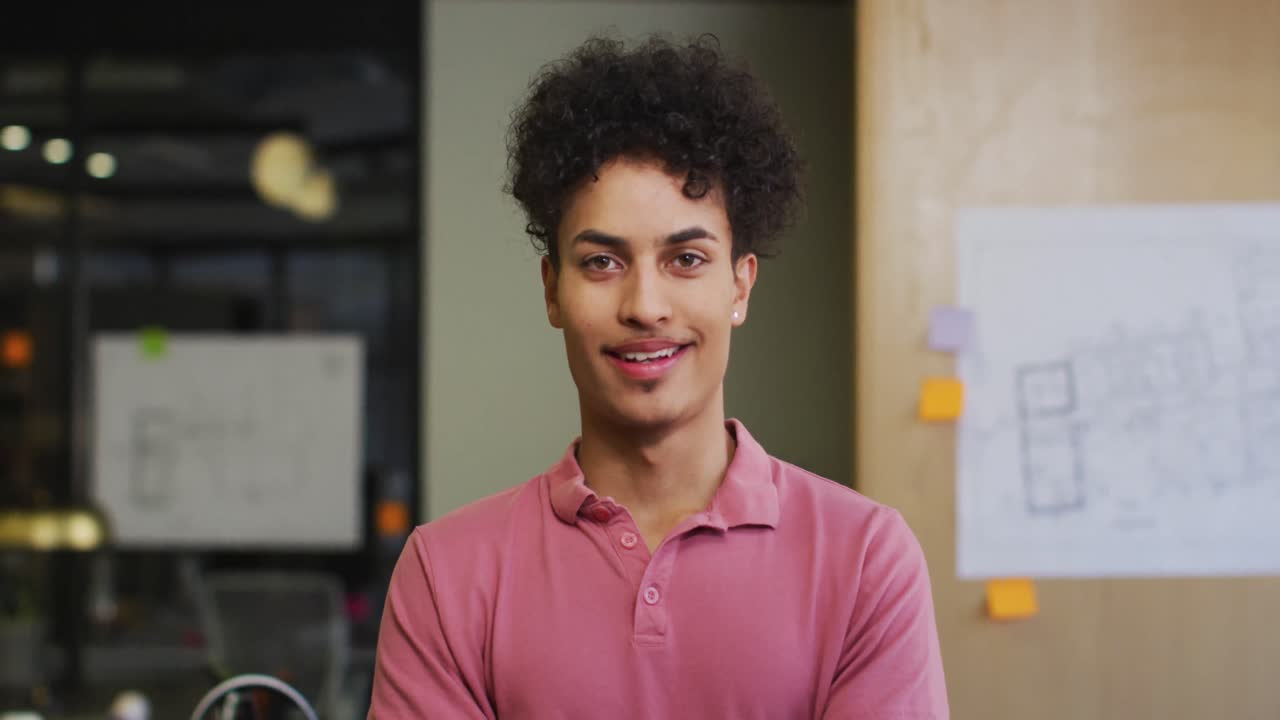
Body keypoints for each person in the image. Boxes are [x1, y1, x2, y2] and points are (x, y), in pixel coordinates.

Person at [368, 33, 948, 719]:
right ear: (552, 291)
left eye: (687, 259)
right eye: (602, 263)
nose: (645, 305)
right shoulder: (447, 574)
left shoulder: (865, 562)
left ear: (741, 286)